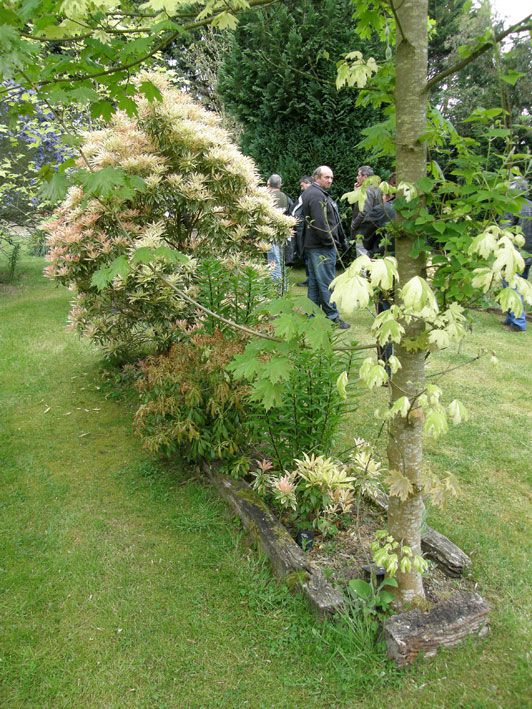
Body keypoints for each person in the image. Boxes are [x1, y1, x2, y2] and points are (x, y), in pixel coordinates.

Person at [300, 165, 350, 329]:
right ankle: (332, 317)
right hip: (321, 246)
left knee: (315, 282)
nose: (330, 180)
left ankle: (311, 315)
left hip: (315, 246)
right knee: (327, 283)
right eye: (326, 177)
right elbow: (321, 224)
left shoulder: (314, 193)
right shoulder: (316, 195)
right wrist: (332, 242)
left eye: (331, 178)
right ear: (316, 177)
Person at [501, 179, 532, 332]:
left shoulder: (512, 205)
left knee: (512, 287)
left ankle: (518, 323)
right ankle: (510, 317)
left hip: (513, 253)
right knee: (519, 285)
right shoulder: (530, 205)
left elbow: (504, 229)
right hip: (528, 254)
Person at [267, 174, 293, 291]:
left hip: (270, 234)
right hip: (282, 234)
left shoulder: (266, 197)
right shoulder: (285, 197)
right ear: (280, 185)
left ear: (268, 184)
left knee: (273, 261)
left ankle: (277, 289)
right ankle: (284, 287)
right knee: (280, 262)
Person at [349, 165, 383, 258]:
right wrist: (356, 192)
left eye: (358, 175)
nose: (357, 177)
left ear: (365, 177)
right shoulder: (378, 189)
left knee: (362, 260)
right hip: (375, 230)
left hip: (363, 231)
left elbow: (364, 212)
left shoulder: (366, 191)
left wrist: (353, 225)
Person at [291, 175, 312, 286]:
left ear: (307, 183)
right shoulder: (317, 194)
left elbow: (295, 212)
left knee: (306, 254)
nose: (301, 188)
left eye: (302, 185)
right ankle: (311, 279)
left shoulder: (305, 195)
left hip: (304, 230)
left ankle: (310, 280)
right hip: (311, 229)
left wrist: (295, 223)